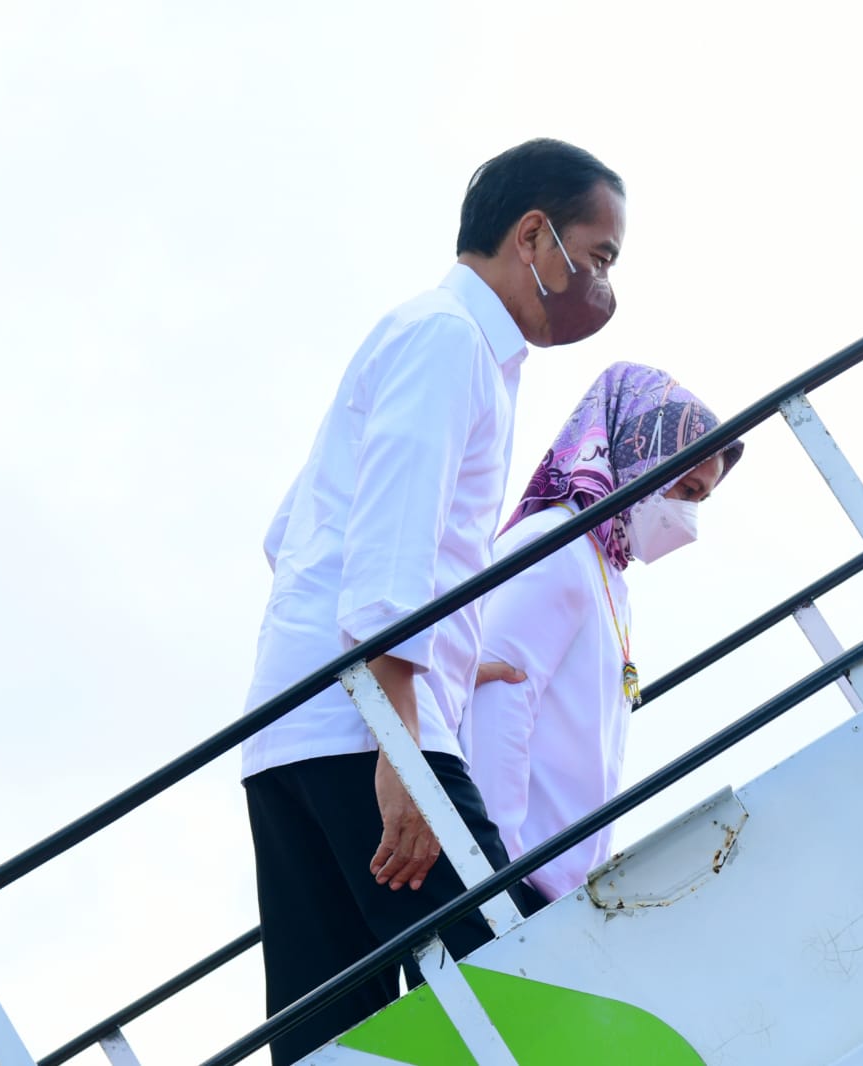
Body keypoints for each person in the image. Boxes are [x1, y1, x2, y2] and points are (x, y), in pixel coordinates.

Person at [239, 138, 625, 1064]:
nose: (605, 286)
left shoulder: (432, 337)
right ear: (532, 236)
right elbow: (391, 551)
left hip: (293, 729)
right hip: (367, 727)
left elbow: (292, 536)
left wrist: (453, 653)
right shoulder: (451, 341)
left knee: (340, 1037)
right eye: (600, 255)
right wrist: (402, 738)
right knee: (525, 985)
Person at [461, 362, 743, 902]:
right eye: (686, 489)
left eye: (701, 500)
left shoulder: (607, 571)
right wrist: (497, 867)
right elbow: (498, 701)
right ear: (641, 458)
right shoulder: (559, 546)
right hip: (510, 874)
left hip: (551, 885)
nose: (689, 518)